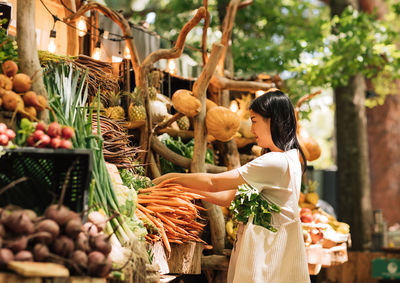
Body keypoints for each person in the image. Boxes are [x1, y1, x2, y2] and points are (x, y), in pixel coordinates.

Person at [153, 89, 310, 283]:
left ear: (271, 120)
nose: (251, 130)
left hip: (267, 253)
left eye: (254, 121)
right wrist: (184, 189)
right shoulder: (291, 157)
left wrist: (171, 177)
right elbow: (228, 197)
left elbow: (214, 182)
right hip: (269, 248)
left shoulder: (274, 162)